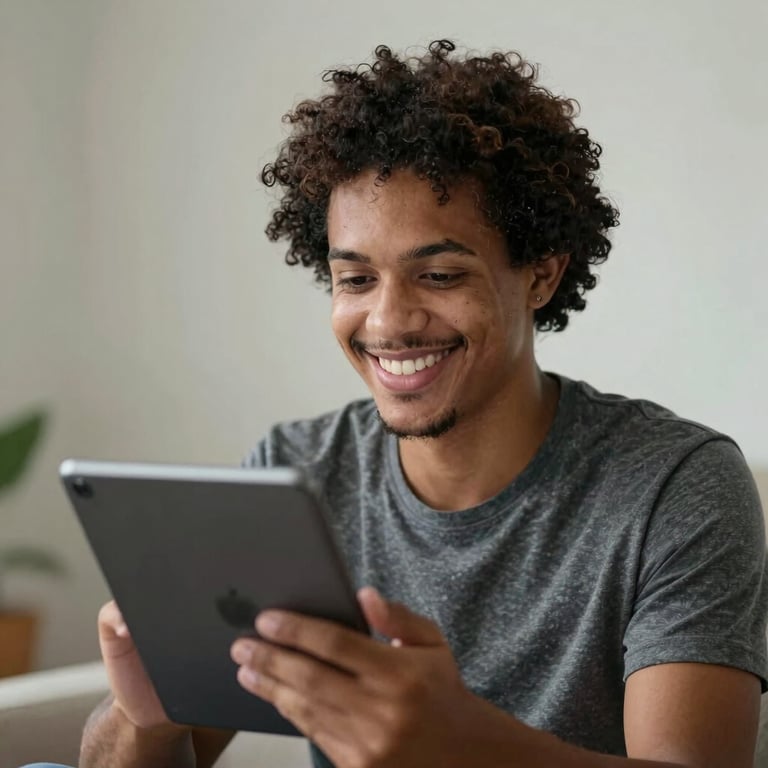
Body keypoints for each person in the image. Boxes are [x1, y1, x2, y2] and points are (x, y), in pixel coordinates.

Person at [78, 40, 767, 768]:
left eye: (438, 275)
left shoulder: (676, 485)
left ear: (541, 274)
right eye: (355, 279)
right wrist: (143, 718)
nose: (387, 322)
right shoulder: (295, 474)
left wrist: (458, 741)